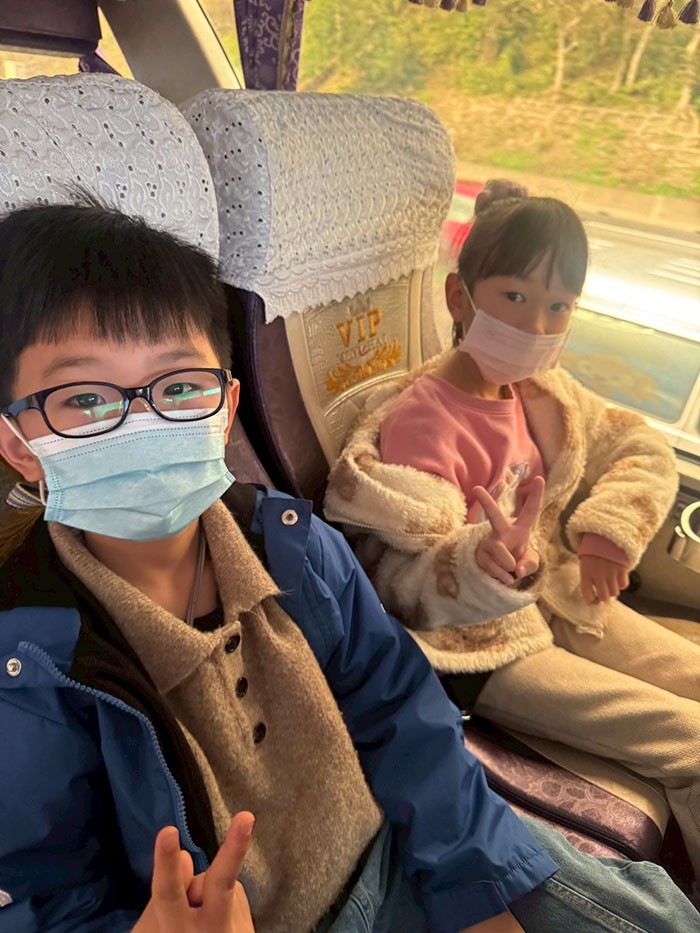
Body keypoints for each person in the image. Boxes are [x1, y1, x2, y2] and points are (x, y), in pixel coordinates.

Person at [0, 203, 697, 933]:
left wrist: (474, 887)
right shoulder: (28, 669)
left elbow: (404, 716)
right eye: (85, 399)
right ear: (18, 443)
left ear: (225, 408)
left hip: (403, 847)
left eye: (179, 388)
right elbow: (40, 895)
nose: (143, 423)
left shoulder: (295, 549)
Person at [325, 180, 700, 895]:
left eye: (559, 306)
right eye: (515, 297)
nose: (536, 324)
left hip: (553, 593)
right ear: (459, 299)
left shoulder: (540, 389)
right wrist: (479, 565)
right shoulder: (423, 420)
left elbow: (638, 444)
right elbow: (400, 583)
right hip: (479, 647)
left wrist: (607, 534)